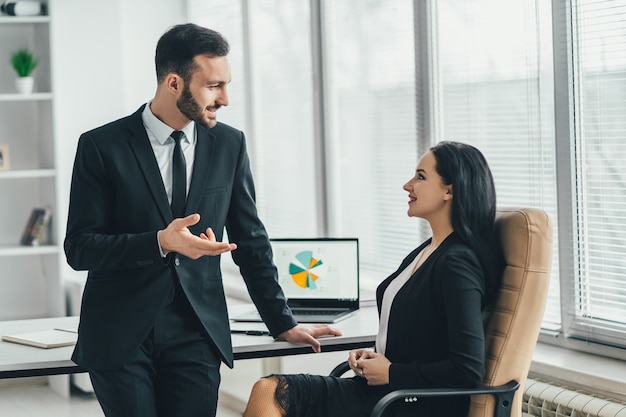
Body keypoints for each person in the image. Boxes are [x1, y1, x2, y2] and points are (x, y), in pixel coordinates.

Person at [64, 23, 340, 417]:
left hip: (196, 331)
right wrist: (160, 241)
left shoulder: (229, 144)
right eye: (213, 86)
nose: (225, 98)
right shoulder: (101, 146)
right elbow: (80, 247)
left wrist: (282, 322)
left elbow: (251, 240)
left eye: (226, 84)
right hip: (121, 332)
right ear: (174, 83)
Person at [242, 141, 505, 417]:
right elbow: (421, 337)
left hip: (409, 402)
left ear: (449, 190)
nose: (408, 185)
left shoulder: (458, 262)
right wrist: (371, 357)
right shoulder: (428, 250)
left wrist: (392, 372)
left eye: (421, 177)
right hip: (386, 392)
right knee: (268, 391)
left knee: (269, 390)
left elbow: (468, 370)